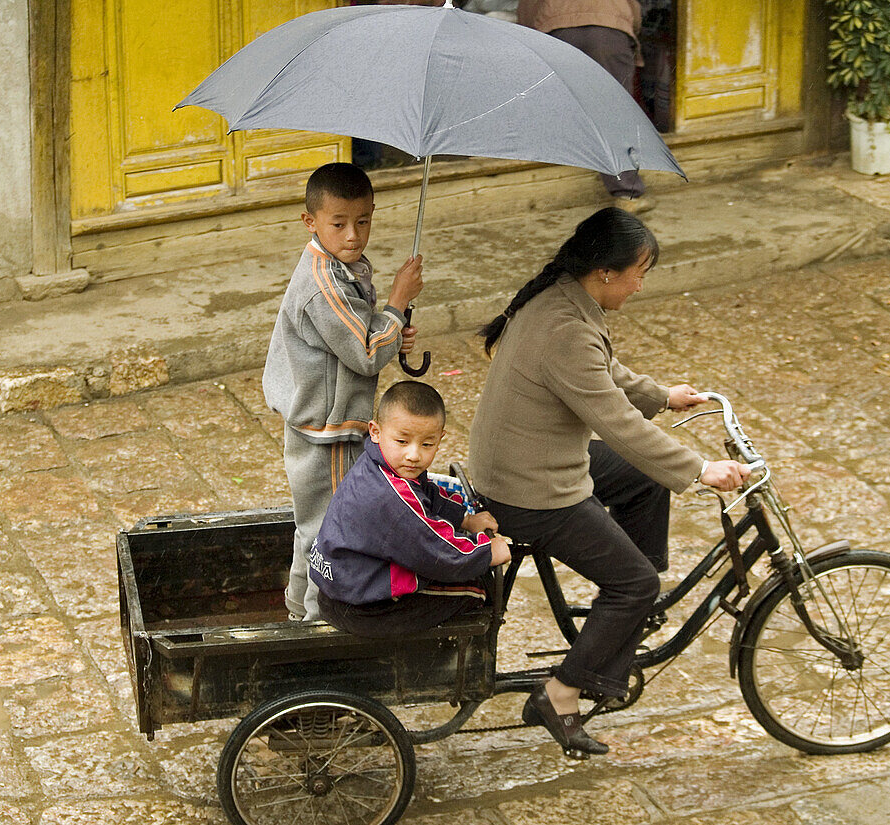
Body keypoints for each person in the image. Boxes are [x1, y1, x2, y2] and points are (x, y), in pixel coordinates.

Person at [468, 207, 750, 757]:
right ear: (604, 272)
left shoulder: (563, 299)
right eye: (638, 272)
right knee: (637, 583)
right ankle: (561, 691)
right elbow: (615, 422)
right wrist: (699, 469)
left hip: (528, 458)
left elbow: (604, 375)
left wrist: (663, 395)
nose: (640, 285)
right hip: (529, 486)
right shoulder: (565, 327)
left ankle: (623, 614)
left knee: (646, 484)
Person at [263, 162, 424, 622]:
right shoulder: (322, 280)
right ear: (310, 222)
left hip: (330, 418)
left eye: (363, 222)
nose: (353, 235)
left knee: (318, 524)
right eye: (338, 224)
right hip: (326, 428)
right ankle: (313, 620)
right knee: (326, 527)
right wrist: (397, 301)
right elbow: (366, 354)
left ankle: (299, 608)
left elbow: (363, 330)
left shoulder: (342, 265)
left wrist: (392, 328)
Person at [310, 381, 512, 637]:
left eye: (427, 444)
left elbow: (427, 495)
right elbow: (439, 552)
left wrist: (465, 519)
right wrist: (486, 551)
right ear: (375, 431)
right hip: (366, 609)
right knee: (478, 591)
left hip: (345, 587)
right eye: (402, 441)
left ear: (440, 438)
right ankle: (445, 666)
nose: (414, 455)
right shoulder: (392, 498)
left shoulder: (380, 464)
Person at [517, 0, 655, 213]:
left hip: (559, 29)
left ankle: (557, 158)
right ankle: (626, 192)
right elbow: (633, 8)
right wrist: (629, 28)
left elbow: (528, 7)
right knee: (614, 110)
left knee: (560, 99)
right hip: (609, 29)